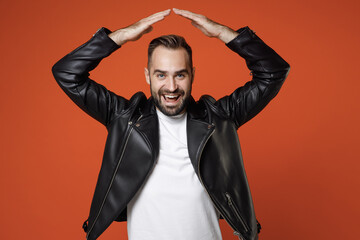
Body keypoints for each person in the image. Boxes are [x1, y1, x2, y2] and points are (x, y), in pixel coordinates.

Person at [52, 8, 290, 240]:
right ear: (147, 76)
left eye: (180, 74)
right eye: (161, 75)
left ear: (192, 75)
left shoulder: (219, 118)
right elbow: (67, 73)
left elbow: (273, 71)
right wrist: (120, 37)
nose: (172, 87)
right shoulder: (124, 118)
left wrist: (222, 33)